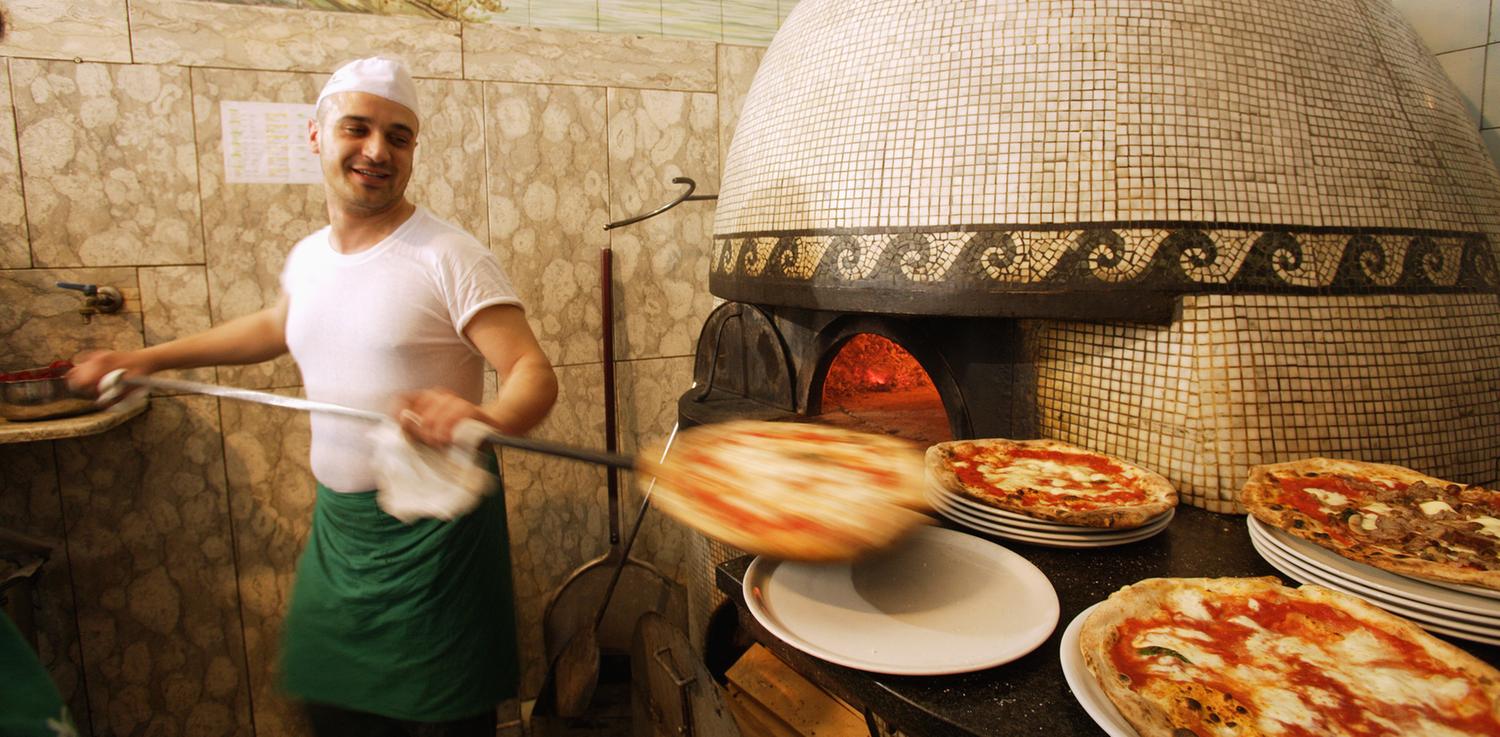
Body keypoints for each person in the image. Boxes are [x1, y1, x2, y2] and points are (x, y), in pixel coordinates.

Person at [68, 56, 558, 736]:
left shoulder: (448, 255)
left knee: (439, 722)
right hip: (341, 534)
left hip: (435, 542)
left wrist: (487, 415)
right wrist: (143, 358)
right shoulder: (309, 257)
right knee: (334, 714)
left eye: (399, 136)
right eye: (357, 129)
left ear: (413, 149)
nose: (377, 150)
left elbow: (532, 369)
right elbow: (276, 326)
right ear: (317, 135)